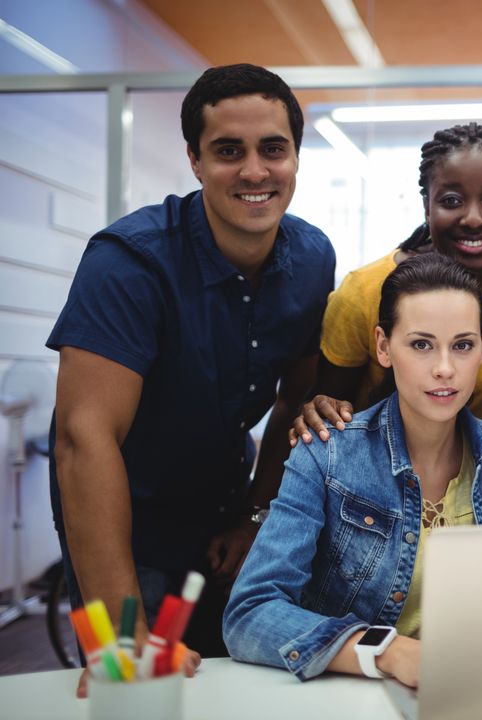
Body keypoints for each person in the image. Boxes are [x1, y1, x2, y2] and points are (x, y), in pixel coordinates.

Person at [47, 64, 335, 694]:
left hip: (222, 504)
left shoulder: (312, 258)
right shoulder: (129, 263)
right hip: (126, 515)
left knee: (220, 673)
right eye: (228, 151)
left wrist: (256, 514)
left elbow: (295, 400)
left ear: (295, 156)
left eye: (273, 149)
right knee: (134, 682)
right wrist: (119, 640)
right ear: (195, 160)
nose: (255, 171)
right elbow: (82, 439)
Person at [224, 253, 482, 687]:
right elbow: (249, 613)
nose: (444, 368)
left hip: (462, 693)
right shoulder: (327, 452)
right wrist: (388, 651)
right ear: (383, 346)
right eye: (421, 344)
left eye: (462, 345)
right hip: (350, 697)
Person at [291, 123, 482, 445]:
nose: (473, 218)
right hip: (367, 471)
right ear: (427, 206)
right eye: (451, 201)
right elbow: (329, 408)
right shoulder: (362, 292)